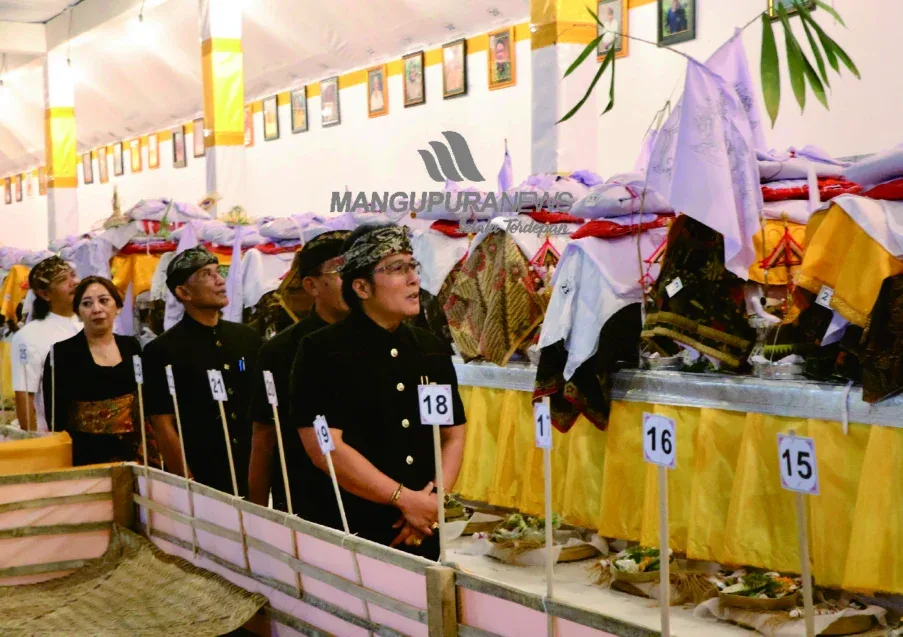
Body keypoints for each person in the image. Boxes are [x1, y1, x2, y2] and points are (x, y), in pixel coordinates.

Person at [291, 224, 467, 559]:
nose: (413, 279)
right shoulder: (323, 351)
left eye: (413, 266)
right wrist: (404, 500)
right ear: (361, 287)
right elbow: (325, 447)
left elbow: (451, 435)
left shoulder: (429, 349)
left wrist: (432, 502)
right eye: (397, 269)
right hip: (350, 526)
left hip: (422, 528)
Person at [143, 246, 260, 495]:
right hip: (203, 475)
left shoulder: (248, 339)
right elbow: (163, 424)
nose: (220, 280)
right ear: (184, 292)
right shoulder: (162, 350)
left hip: (250, 469)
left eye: (218, 272)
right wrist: (187, 482)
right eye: (207, 274)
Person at [247, 231, 351, 510]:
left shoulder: (385, 339)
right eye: (341, 270)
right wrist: (256, 514)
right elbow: (264, 436)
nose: (353, 279)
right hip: (306, 500)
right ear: (311, 285)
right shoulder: (280, 350)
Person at [42, 277, 143, 465]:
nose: (97, 309)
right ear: (78, 313)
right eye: (87, 304)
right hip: (84, 455)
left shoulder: (131, 346)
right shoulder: (62, 353)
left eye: (104, 301)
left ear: (118, 307)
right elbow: (55, 416)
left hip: (133, 453)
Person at [11, 256, 81, 431]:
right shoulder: (29, 336)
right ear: (45, 294)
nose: (73, 282)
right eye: (62, 280)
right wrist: (34, 442)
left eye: (73, 275)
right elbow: (24, 395)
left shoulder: (91, 323)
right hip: (55, 433)